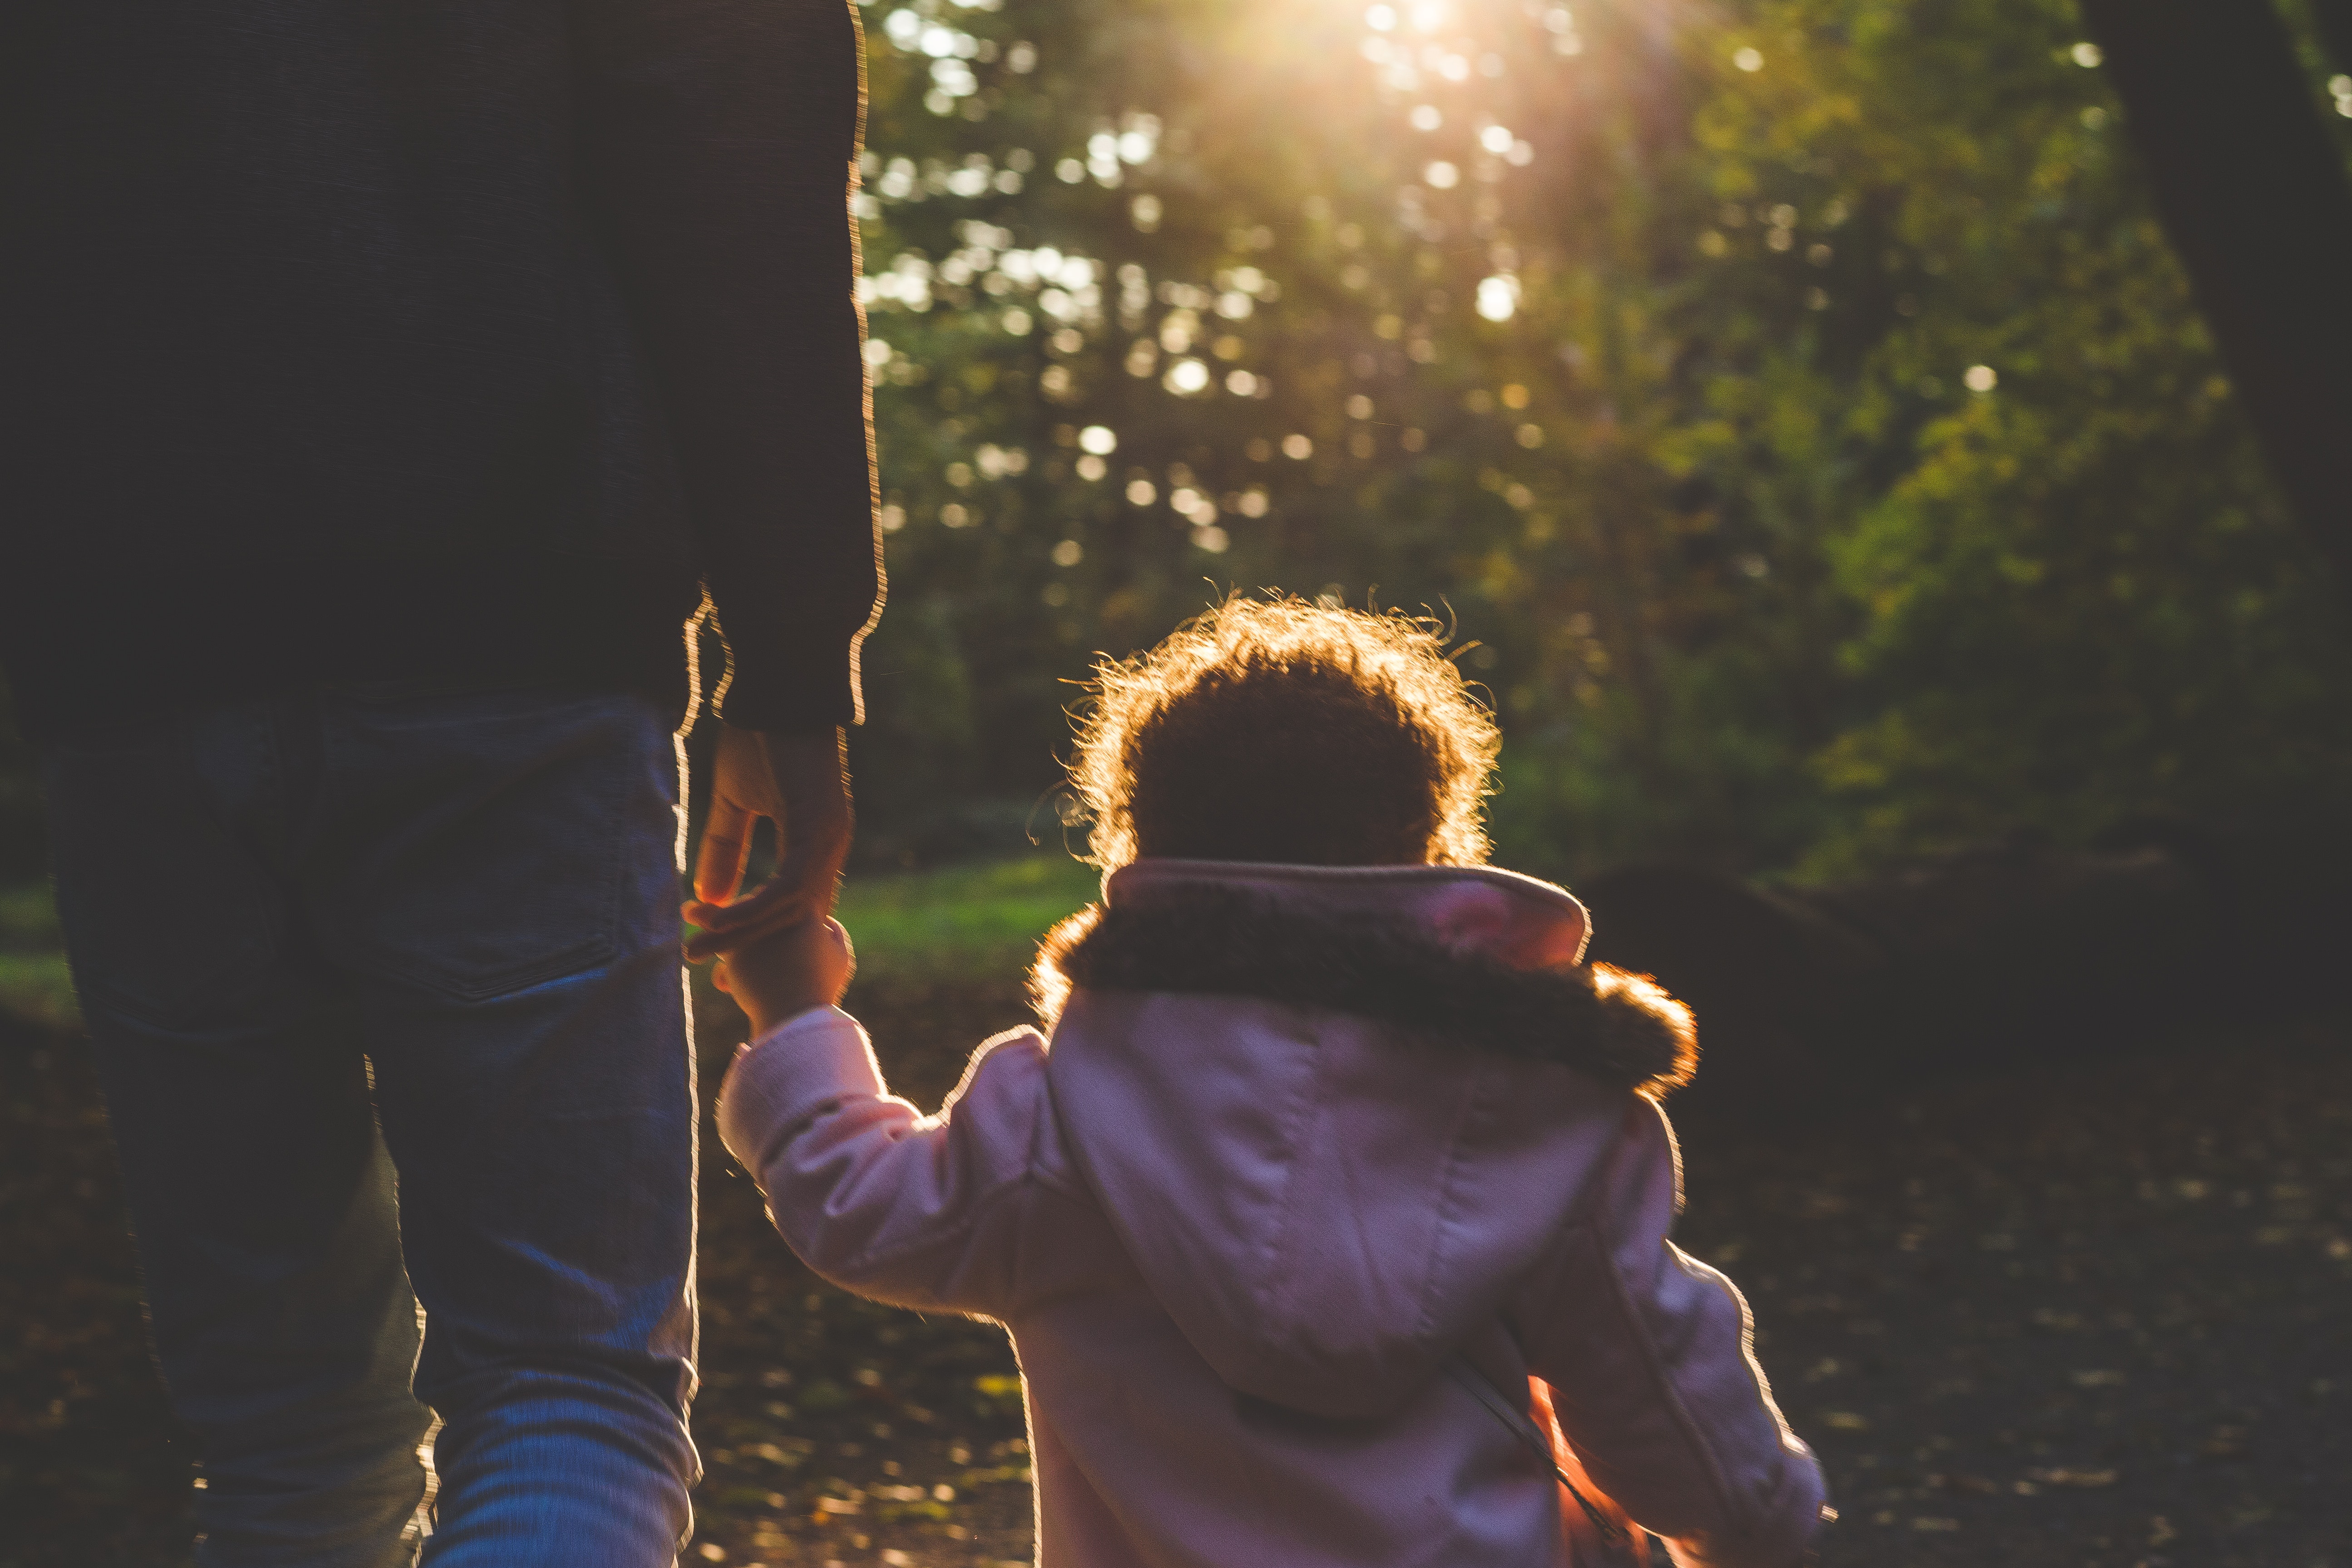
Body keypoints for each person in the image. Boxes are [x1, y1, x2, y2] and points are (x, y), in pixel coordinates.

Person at [0, 1, 880, 1563]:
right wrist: (795, 662)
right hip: (513, 629)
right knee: (568, 1390)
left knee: (281, 1445)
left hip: (133, 674)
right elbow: (734, 163)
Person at [710, 599, 1831, 1567]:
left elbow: (862, 1204)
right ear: (1427, 838)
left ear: (1140, 842)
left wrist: (797, 1013)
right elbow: (1654, 1378)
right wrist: (1751, 1530)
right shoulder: (1540, 1106)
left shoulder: (1057, 1118)